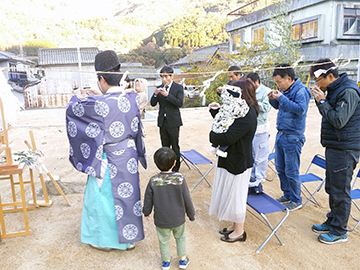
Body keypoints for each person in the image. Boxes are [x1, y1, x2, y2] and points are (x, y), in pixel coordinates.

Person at [66, 50, 147, 251]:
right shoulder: (131, 99)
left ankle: (104, 241)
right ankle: (129, 240)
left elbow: (74, 112)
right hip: (128, 155)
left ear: (101, 78)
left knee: (102, 199)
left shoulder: (97, 104)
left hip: (107, 157)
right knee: (128, 197)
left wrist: (77, 97)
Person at [309, 58, 360, 244]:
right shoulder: (334, 89)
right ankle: (333, 220)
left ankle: (340, 231)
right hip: (336, 145)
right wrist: (320, 99)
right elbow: (329, 115)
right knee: (332, 186)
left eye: (318, 80)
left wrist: (321, 100)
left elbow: (338, 120)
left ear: (330, 76)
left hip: (345, 148)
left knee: (340, 189)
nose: (317, 84)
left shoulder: (348, 91)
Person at [209, 79, 259, 243]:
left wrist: (212, 135)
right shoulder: (239, 110)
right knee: (230, 194)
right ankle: (234, 225)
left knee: (237, 196)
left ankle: (239, 231)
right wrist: (216, 114)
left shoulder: (248, 114)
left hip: (239, 161)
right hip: (231, 158)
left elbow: (229, 135)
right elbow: (227, 123)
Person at [143, 147, 195, 270]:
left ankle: (166, 262)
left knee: (163, 240)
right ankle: (182, 260)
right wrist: (191, 214)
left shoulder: (153, 181)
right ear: (174, 163)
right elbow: (187, 198)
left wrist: (146, 212)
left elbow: (148, 199)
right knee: (180, 237)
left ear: (156, 164)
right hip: (178, 218)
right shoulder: (180, 179)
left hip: (161, 219)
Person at [268, 64, 311, 211]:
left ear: (289, 79)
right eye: (276, 82)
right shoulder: (283, 90)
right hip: (281, 135)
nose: (278, 85)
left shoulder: (301, 91)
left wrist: (281, 98)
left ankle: (296, 199)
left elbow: (300, 110)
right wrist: (273, 99)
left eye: (279, 82)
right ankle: (287, 194)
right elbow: (280, 106)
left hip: (293, 137)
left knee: (292, 171)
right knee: (280, 168)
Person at [150, 66, 184, 172]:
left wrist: (167, 95)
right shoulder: (159, 87)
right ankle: (165, 167)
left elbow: (179, 103)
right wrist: (155, 94)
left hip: (173, 121)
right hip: (162, 121)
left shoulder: (178, 88)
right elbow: (152, 103)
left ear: (171, 76)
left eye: (166, 76)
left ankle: (176, 168)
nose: (164, 79)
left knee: (174, 145)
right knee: (164, 146)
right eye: (162, 77)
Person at [246, 72, 272, 194]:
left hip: (261, 128)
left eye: (251, 83)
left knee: (260, 156)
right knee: (250, 154)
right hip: (250, 127)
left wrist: (253, 104)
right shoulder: (248, 90)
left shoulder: (266, 91)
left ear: (257, 82)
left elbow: (267, 107)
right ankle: (250, 179)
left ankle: (258, 181)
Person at [210, 84, 250, 158]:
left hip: (216, 126)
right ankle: (221, 150)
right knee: (225, 136)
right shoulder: (234, 107)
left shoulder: (225, 105)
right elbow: (241, 113)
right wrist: (243, 105)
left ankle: (214, 146)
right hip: (225, 126)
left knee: (218, 133)